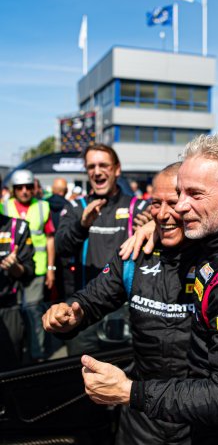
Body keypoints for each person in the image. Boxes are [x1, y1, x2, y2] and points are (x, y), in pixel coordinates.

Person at [43, 160, 218, 444]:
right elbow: (91, 300)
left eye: (172, 202)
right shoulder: (137, 252)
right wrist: (69, 313)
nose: (163, 214)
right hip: (142, 419)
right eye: (155, 204)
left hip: (202, 421)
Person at [54, 143, 149, 353]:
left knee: (123, 380)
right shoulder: (75, 207)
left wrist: (153, 229)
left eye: (103, 165)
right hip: (84, 310)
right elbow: (61, 249)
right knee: (82, 380)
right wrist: (81, 226)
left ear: (117, 169)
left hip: (127, 312)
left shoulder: (140, 207)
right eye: (91, 167)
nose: (96, 172)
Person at [0, 169, 55, 360]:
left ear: (34, 187)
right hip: (7, 272)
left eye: (29, 187)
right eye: (20, 187)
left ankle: (36, 355)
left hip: (36, 269)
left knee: (33, 314)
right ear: (13, 190)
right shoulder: (4, 207)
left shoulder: (42, 207)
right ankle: (17, 351)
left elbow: (50, 239)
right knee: (13, 316)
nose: (24, 191)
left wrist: (50, 269)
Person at [0, 179, 35, 371]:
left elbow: (28, 272)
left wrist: (14, 267)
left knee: (11, 366)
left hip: (8, 307)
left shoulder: (16, 227)